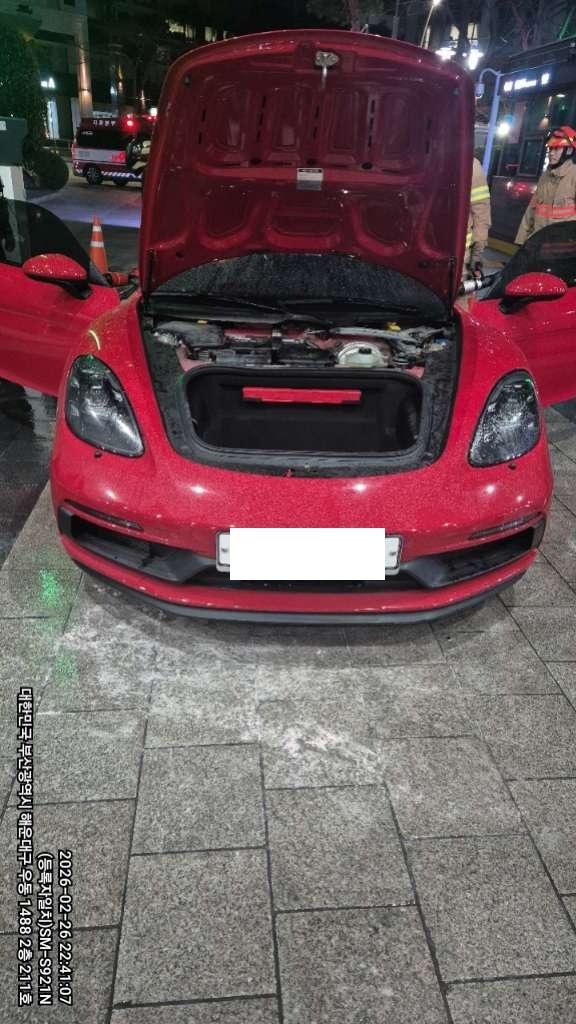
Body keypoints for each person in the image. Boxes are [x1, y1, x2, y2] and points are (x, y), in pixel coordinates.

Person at [516, 126, 576, 246]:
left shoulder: (574, 175)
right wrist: (521, 240)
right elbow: (532, 209)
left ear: (569, 151)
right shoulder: (545, 176)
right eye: (550, 148)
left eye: (557, 149)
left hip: (562, 248)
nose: (551, 153)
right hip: (539, 244)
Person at [465, 157, 491, 279]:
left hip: (458, 255)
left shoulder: (471, 166)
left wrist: (476, 257)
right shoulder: (470, 165)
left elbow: (481, 214)